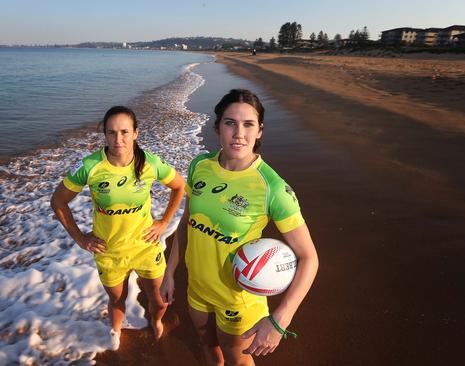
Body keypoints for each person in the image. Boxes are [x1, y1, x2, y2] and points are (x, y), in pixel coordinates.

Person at [160, 89, 319, 365]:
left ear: (260, 131)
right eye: (230, 123)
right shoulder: (200, 165)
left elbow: (309, 257)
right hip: (197, 289)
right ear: (217, 127)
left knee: (238, 360)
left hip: (239, 299)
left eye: (248, 124)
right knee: (207, 347)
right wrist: (169, 272)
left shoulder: (272, 187)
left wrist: (280, 320)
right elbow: (187, 221)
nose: (239, 133)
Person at [51, 106, 185, 350]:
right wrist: (81, 238)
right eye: (111, 133)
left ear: (135, 133)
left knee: (160, 299)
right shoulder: (90, 166)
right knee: (116, 299)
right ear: (104, 135)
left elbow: (179, 186)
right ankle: (115, 331)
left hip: (145, 246)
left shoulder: (151, 163)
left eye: (124, 131)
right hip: (109, 250)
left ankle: (155, 321)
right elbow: (58, 201)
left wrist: (164, 222)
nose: (118, 139)